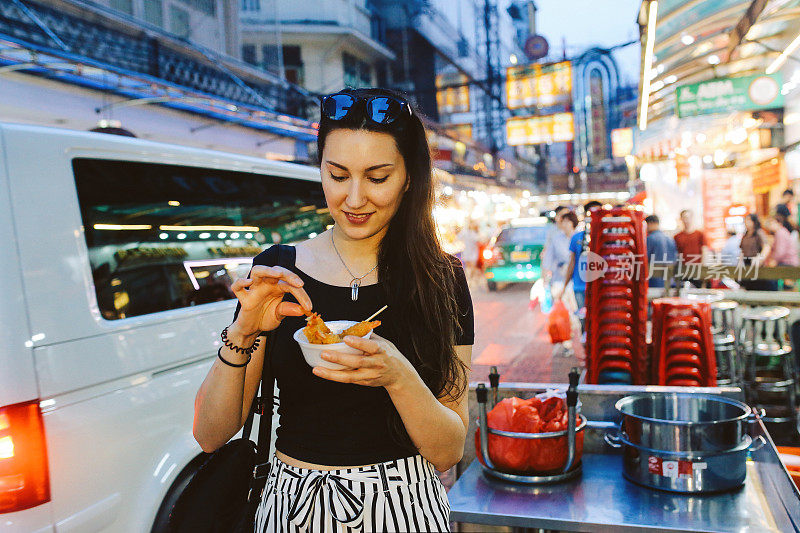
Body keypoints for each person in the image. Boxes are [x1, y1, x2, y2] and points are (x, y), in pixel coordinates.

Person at [193, 88, 474, 532]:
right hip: (292, 505)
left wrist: (397, 375)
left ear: (408, 177)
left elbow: (448, 450)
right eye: (338, 175)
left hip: (405, 507)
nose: (354, 198)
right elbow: (210, 434)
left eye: (377, 177)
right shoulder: (279, 270)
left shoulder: (442, 279)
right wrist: (246, 330)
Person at [558, 200, 603, 321]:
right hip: (580, 287)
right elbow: (572, 262)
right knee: (584, 321)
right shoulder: (577, 238)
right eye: (591, 213)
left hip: (601, 288)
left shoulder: (606, 237)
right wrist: (565, 286)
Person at [740, 213, 772, 291]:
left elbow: (766, 247)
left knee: (757, 286)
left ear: (754, 221)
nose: (747, 222)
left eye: (749, 220)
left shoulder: (759, 233)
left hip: (756, 264)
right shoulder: (745, 235)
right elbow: (742, 249)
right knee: (749, 286)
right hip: (746, 263)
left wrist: (760, 258)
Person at [645, 214, 677, 288]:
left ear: (651, 223)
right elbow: (675, 258)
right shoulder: (670, 239)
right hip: (669, 278)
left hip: (654, 279)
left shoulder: (650, 239)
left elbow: (645, 259)